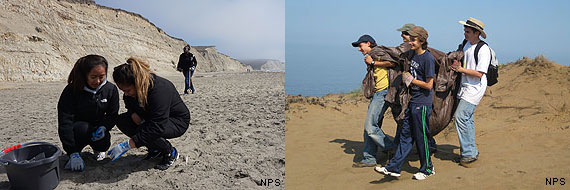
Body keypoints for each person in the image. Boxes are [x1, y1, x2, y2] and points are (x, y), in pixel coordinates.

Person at [375, 26, 436, 180]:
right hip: (412, 101)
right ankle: (394, 168)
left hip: (422, 103)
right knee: (405, 135)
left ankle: (428, 168)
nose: (411, 42)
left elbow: (429, 85)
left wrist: (411, 80)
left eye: (414, 39)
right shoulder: (412, 55)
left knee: (421, 137)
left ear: (422, 41)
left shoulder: (427, 58)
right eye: (411, 39)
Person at [109, 57, 190, 170]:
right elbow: (130, 105)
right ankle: (155, 149)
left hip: (176, 121)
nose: (125, 94)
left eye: (127, 90)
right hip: (150, 117)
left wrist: (127, 145)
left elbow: (157, 126)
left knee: (148, 129)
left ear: (137, 83)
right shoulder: (132, 92)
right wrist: (133, 113)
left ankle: (170, 152)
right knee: (123, 120)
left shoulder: (159, 89)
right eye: (123, 91)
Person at [57, 54, 119, 172]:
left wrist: (104, 127)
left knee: (103, 142)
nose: (97, 81)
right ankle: (75, 153)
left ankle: (98, 149)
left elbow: (112, 114)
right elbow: (65, 121)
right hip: (78, 130)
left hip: (97, 130)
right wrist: (72, 152)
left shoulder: (110, 89)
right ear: (85, 75)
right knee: (82, 128)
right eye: (93, 77)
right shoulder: (72, 90)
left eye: (101, 76)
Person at [351, 35, 397, 168]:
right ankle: (369, 158)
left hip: (383, 93)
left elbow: (392, 63)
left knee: (370, 126)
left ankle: (392, 147)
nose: (359, 49)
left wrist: (372, 63)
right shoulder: (373, 54)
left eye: (360, 46)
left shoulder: (376, 52)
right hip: (378, 93)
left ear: (368, 43)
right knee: (370, 126)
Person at [450, 17, 491, 166]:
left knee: (460, 117)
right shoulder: (466, 44)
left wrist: (461, 70)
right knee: (467, 119)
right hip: (465, 86)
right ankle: (470, 151)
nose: (465, 33)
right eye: (465, 31)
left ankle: (468, 153)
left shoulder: (483, 49)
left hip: (475, 89)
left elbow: (480, 73)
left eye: (467, 31)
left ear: (476, 33)